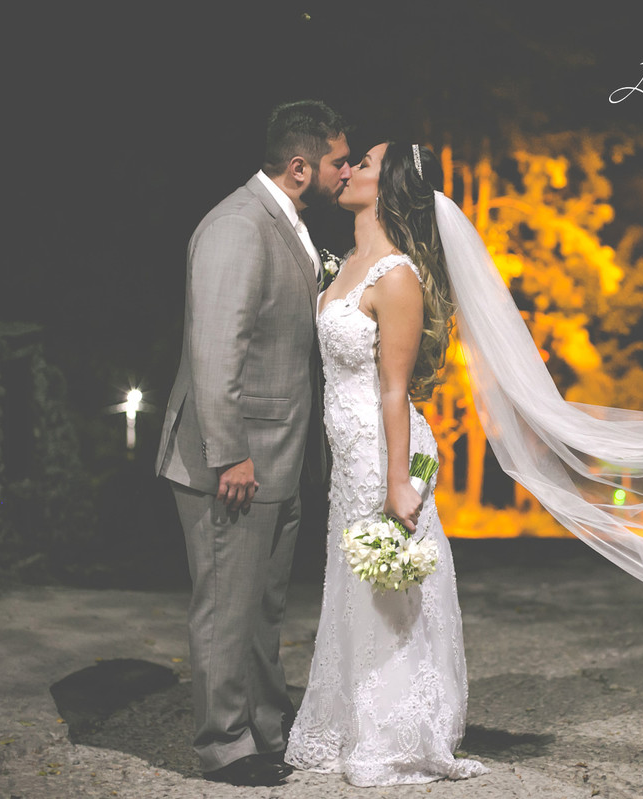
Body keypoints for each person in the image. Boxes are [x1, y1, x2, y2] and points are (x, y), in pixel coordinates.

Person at [155, 100, 351, 788]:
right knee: (225, 607)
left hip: (280, 458)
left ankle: (267, 725)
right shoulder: (238, 226)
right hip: (234, 461)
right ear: (300, 167)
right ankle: (224, 745)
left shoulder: (286, 220)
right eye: (337, 162)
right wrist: (229, 453)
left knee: (263, 607)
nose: (346, 171)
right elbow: (216, 347)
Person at [284, 142, 489, 786]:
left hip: (385, 453)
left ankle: (398, 733)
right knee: (353, 587)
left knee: (389, 592)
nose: (347, 170)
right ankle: (353, 720)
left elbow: (395, 389)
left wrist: (400, 481)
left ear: (389, 186)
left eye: (364, 164)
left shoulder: (396, 275)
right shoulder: (345, 265)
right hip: (349, 456)